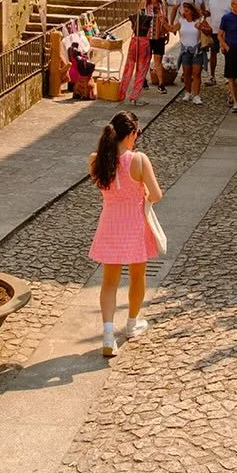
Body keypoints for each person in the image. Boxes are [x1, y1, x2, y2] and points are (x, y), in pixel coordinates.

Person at [88, 111, 163, 357]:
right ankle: (132, 323)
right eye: (136, 134)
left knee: (109, 281)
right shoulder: (139, 160)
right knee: (137, 276)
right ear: (130, 133)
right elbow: (156, 194)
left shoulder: (96, 160)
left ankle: (108, 335)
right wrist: (143, 197)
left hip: (109, 224)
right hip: (134, 225)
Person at [117, 0, 156, 105]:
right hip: (144, 42)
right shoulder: (149, 18)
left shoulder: (134, 18)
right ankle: (134, 96)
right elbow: (149, 33)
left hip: (134, 41)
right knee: (141, 71)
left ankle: (121, 93)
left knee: (128, 69)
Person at [170, 2, 205, 105]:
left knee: (196, 73)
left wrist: (201, 28)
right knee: (186, 73)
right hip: (185, 50)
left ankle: (197, 95)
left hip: (197, 50)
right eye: (183, 10)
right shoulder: (181, 21)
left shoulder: (199, 20)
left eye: (186, 10)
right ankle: (188, 92)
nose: (184, 12)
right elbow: (172, 29)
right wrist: (164, 22)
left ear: (191, 11)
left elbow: (208, 31)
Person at [145, 0, 170, 93]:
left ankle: (161, 83)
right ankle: (143, 79)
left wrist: (167, 32)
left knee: (158, 60)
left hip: (159, 36)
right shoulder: (145, 5)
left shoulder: (163, 4)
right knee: (147, 59)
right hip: (148, 37)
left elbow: (166, 19)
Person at [206, 0, 232, 85]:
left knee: (227, 54)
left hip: (226, 32)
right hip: (214, 30)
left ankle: (228, 75)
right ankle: (212, 75)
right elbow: (209, 12)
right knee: (213, 53)